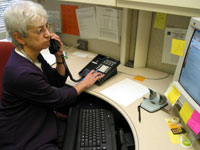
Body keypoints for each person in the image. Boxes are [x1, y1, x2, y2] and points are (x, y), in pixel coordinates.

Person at [0, 1, 102, 150]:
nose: (48, 34)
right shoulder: (22, 73)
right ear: (20, 38)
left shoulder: (32, 55)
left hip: (38, 116)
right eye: (39, 30)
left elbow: (58, 80)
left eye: (46, 26)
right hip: (22, 134)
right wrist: (83, 84)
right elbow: (58, 99)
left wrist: (59, 55)